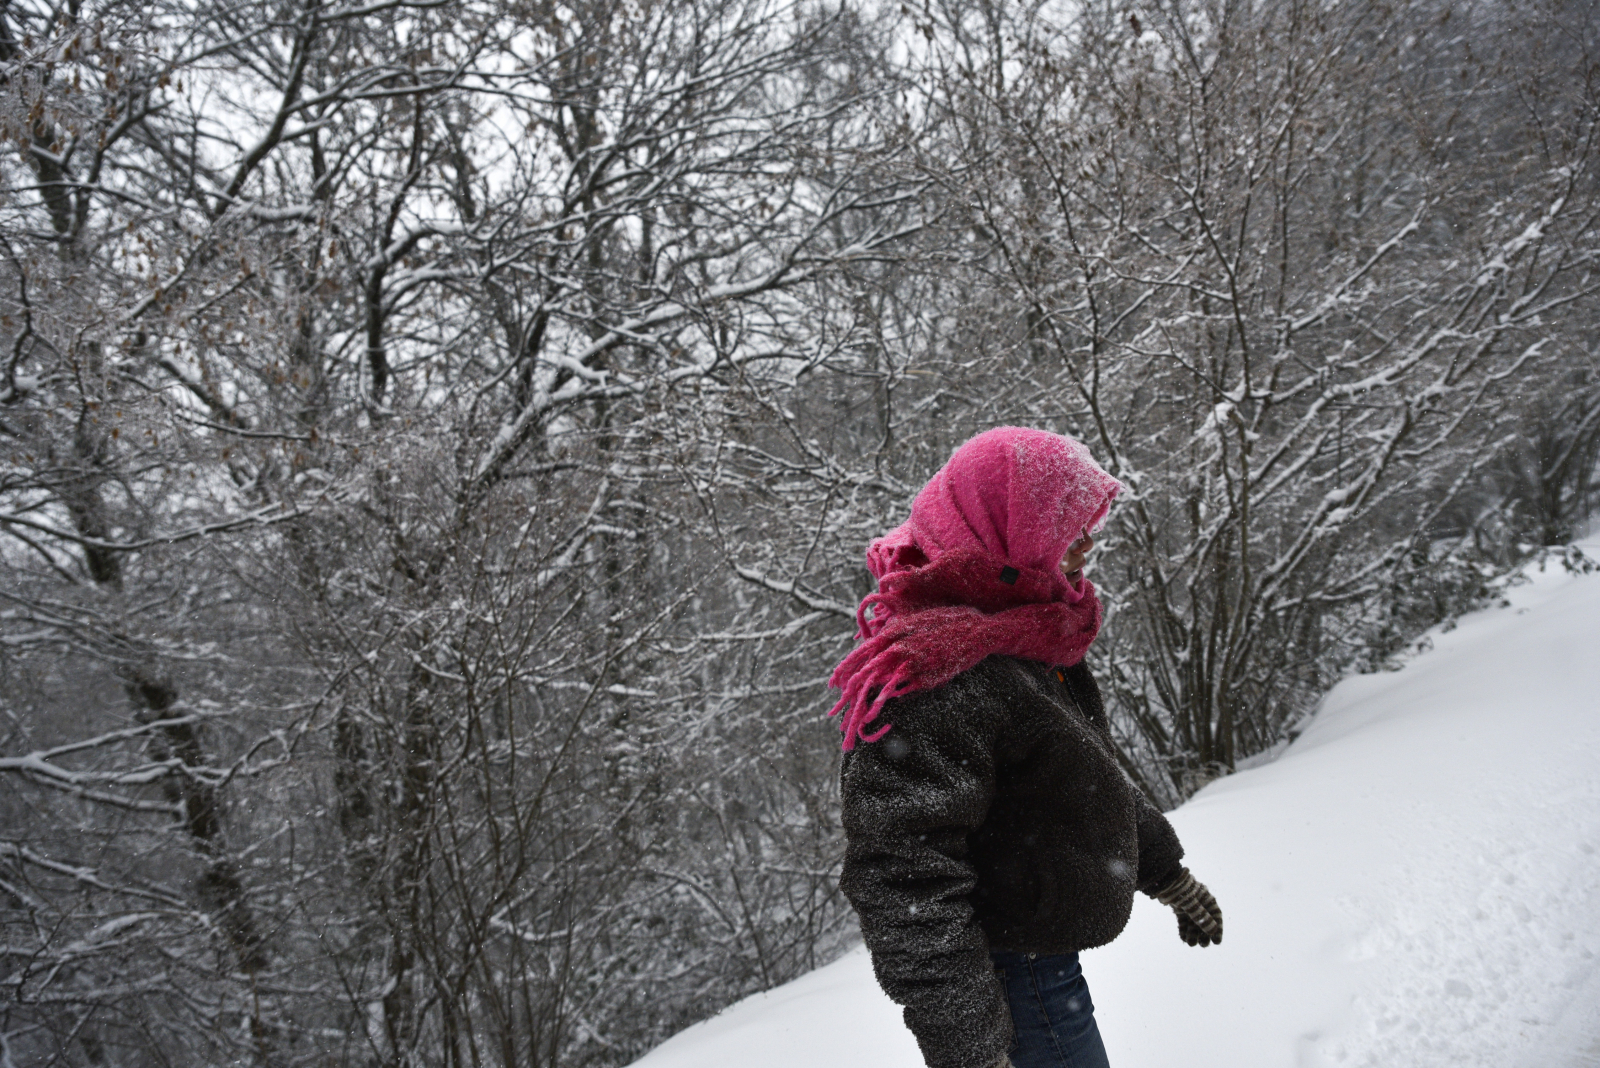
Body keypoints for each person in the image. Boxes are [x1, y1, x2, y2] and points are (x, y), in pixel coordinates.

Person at [831, 426, 1223, 1068]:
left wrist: (1165, 873)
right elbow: (904, 880)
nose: (1087, 545)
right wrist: (974, 1050)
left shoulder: (1017, 632)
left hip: (1041, 978)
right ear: (1010, 528)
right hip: (1010, 990)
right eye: (1068, 525)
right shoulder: (937, 673)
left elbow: (1078, 783)